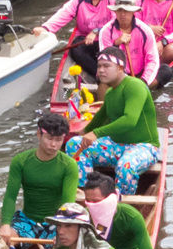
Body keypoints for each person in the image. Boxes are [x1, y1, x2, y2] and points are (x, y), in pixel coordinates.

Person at [65, 44, 161, 193]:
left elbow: (129, 120)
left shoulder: (135, 86)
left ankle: (121, 205)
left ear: (120, 68)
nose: (101, 70)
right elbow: (99, 119)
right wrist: (82, 134)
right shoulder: (110, 93)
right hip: (116, 145)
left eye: (106, 66)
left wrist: (96, 133)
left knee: (125, 165)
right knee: (74, 144)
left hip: (144, 146)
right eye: (99, 66)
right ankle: (87, 193)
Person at [0, 111, 81, 243]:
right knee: (3, 242)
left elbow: (68, 204)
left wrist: (63, 231)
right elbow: (10, 196)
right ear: (39, 134)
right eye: (49, 138)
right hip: (26, 220)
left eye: (58, 140)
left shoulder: (69, 165)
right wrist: (5, 224)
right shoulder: (20, 161)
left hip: (56, 222)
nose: (53, 144)